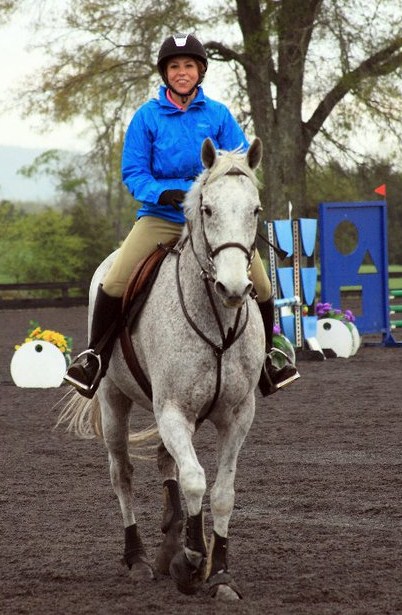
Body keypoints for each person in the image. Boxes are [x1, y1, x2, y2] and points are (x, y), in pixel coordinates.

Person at [65, 32, 300, 398]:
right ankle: (94, 357)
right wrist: (162, 192)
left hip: (215, 222)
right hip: (162, 216)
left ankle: (268, 358)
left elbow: (238, 165)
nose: (181, 72)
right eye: (174, 67)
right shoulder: (146, 117)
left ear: (200, 70)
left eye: (188, 65)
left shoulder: (218, 115)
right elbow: (134, 172)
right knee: (112, 282)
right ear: (165, 73)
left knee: (263, 285)